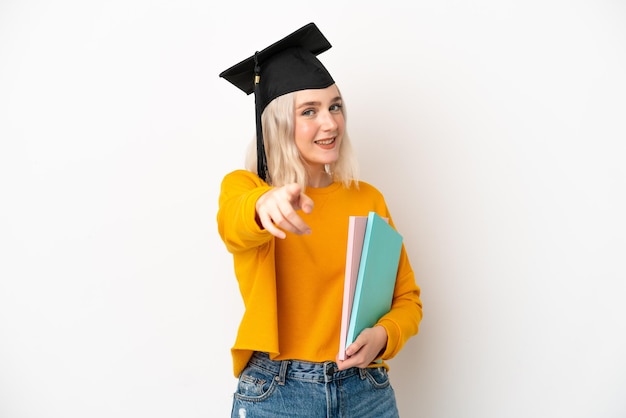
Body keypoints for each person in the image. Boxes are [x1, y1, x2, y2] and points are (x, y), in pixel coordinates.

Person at [217, 22, 423, 418]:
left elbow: (406, 300)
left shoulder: (367, 198)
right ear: (278, 124)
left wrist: (383, 336)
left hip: (366, 391)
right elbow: (234, 223)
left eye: (334, 106)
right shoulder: (247, 189)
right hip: (277, 394)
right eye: (309, 111)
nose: (330, 123)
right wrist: (267, 203)